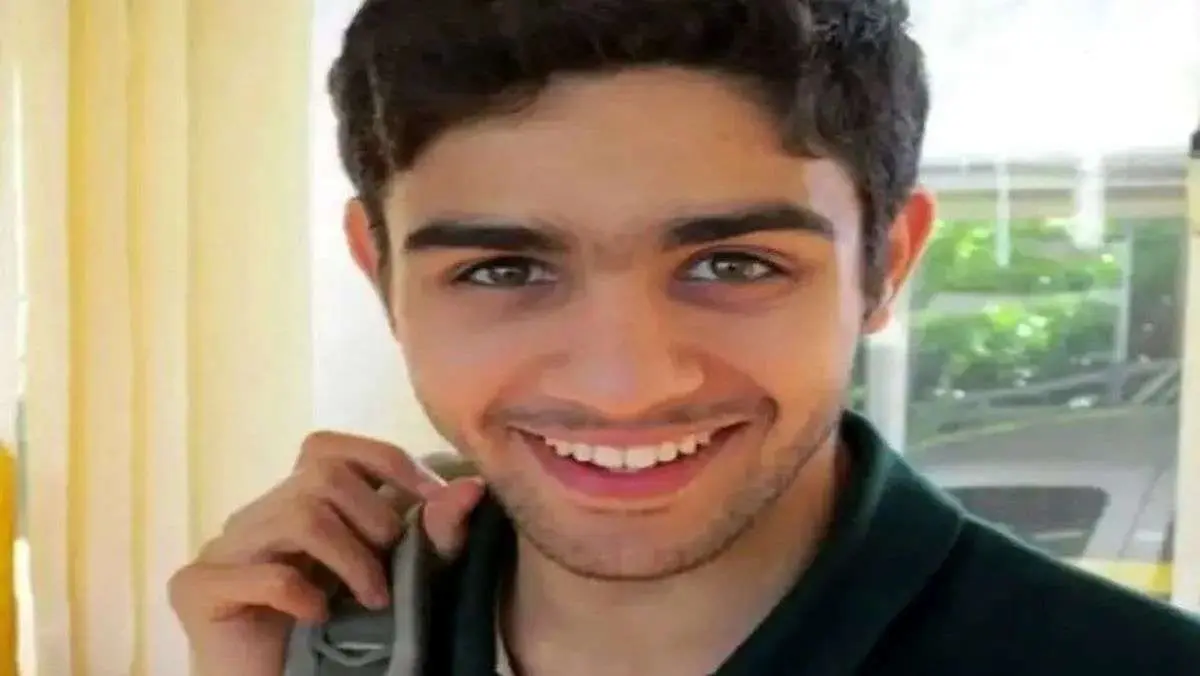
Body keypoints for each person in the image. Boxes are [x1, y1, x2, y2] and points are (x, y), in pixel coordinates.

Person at [169, 0, 1200, 674]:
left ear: (885, 263)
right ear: (381, 271)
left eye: (734, 264)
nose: (624, 386)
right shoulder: (320, 641)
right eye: (504, 270)